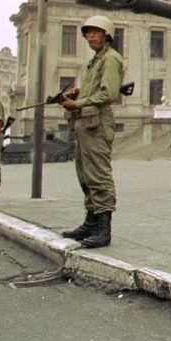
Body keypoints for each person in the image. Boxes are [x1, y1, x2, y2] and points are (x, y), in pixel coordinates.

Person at [59, 15, 125, 249]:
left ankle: (103, 229)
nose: (90, 36)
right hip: (85, 123)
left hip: (97, 122)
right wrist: (78, 94)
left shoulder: (110, 59)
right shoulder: (94, 61)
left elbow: (108, 94)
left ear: (106, 34)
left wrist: (76, 103)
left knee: (99, 174)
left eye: (95, 32)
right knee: (85, 174)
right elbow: (94, 90)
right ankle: (91, 221)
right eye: (87, 32)